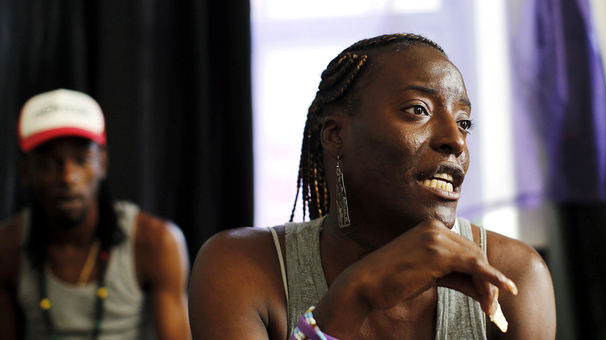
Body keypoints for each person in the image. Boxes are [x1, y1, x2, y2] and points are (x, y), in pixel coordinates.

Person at [188, 33, 557, 339]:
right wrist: (353, 296)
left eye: (464, 122)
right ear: (335, 135)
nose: (456, 141)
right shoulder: (241, 267)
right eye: (418, 110)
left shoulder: (515, 276)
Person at [0, 89, 191, 340]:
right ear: (25, 172)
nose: (68, 177)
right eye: (49, 164)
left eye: (81, 160)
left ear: (103, 162)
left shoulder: (155, 241)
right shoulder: (8, 245)